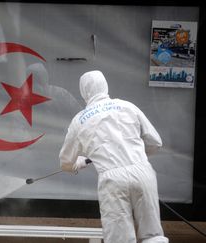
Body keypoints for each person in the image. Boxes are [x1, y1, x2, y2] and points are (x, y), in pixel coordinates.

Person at [59, 70, 168, 243]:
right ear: (105, 86)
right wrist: (134, 156)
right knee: (153, 235)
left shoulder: (79, 121)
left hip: (112, 180)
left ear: (83, 91)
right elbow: (156, 143)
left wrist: (77, 163)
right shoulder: (128, 106)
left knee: (120, 239)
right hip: (143, 172)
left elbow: (65, 162)